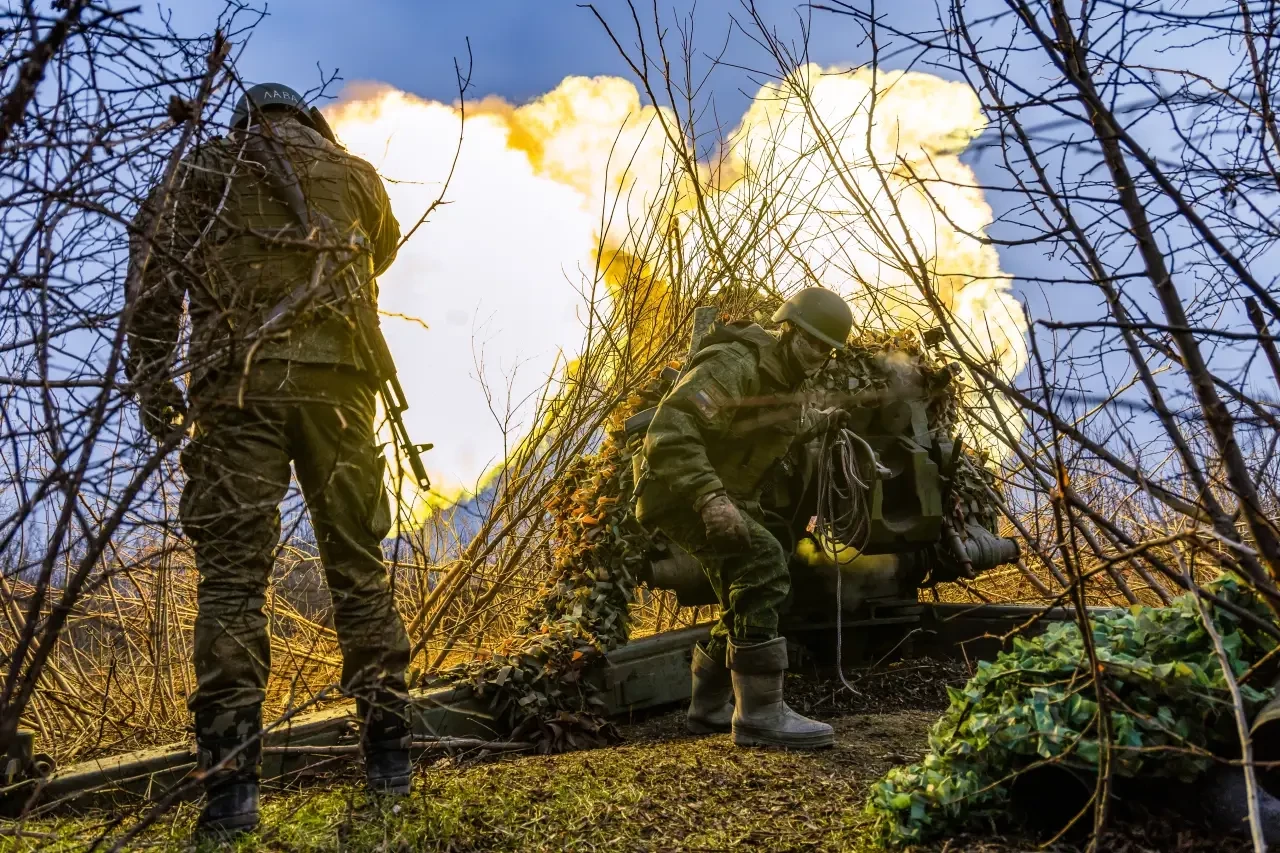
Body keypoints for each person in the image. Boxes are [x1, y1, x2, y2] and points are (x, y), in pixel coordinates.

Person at [126, 82, 412, 836]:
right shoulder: (354, 174)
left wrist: (153, 382)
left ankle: (230, 796)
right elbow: (383, 249)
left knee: (231, 586)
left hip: (237, 392)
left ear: (245, 121)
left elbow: (153, 279)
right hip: (340, 390)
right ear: (308, 121)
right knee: (358, 570)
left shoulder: (202, 170)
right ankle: (390, 765)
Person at [636, 287, 854, 749]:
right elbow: (670, 432)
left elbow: (774, 428)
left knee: (748, 592)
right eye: (811, 341)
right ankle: (760, 715)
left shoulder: (785, 379)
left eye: (826, 349)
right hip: (679, 491)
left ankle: (709, 706)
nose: (817, 354)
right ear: (789, 329)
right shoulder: (736, 364)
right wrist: (710, 499)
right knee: (764, 564)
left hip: (725, 494)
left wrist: (823, 420)